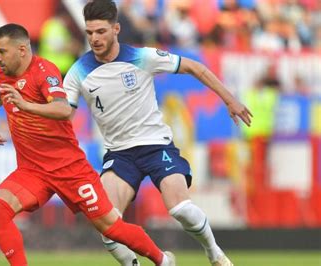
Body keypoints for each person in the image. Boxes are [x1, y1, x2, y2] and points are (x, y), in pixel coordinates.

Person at [63, 1, 253, 266]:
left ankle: (215, 253)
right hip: (119, 154)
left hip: (156, 146)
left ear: (116, 29)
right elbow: (64, 114)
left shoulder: (142, 57)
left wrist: (230, 99)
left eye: (101, 32)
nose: (95, 38)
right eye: (90, 32)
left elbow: (195, 67)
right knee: (107, 227)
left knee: (180, 209)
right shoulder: (77, 72)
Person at [0, 23, 176, 266]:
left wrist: (26, 105)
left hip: (69, 169)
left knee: (111, 228)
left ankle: (162, 261)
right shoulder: (4, 72)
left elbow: (63, 109)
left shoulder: (45, 72)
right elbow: (2, 89)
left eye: (1, 51)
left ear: (21, 50)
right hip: (33, 170)